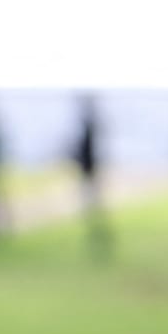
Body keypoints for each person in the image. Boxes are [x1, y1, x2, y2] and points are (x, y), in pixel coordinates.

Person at [72, 92, 112, 255]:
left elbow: (86, 152)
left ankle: (98, 232)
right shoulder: (89, 130)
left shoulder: (88, 131)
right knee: (92, 205)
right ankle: (96, 230)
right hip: (89, 170)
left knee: (93, 204)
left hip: (90, 171)